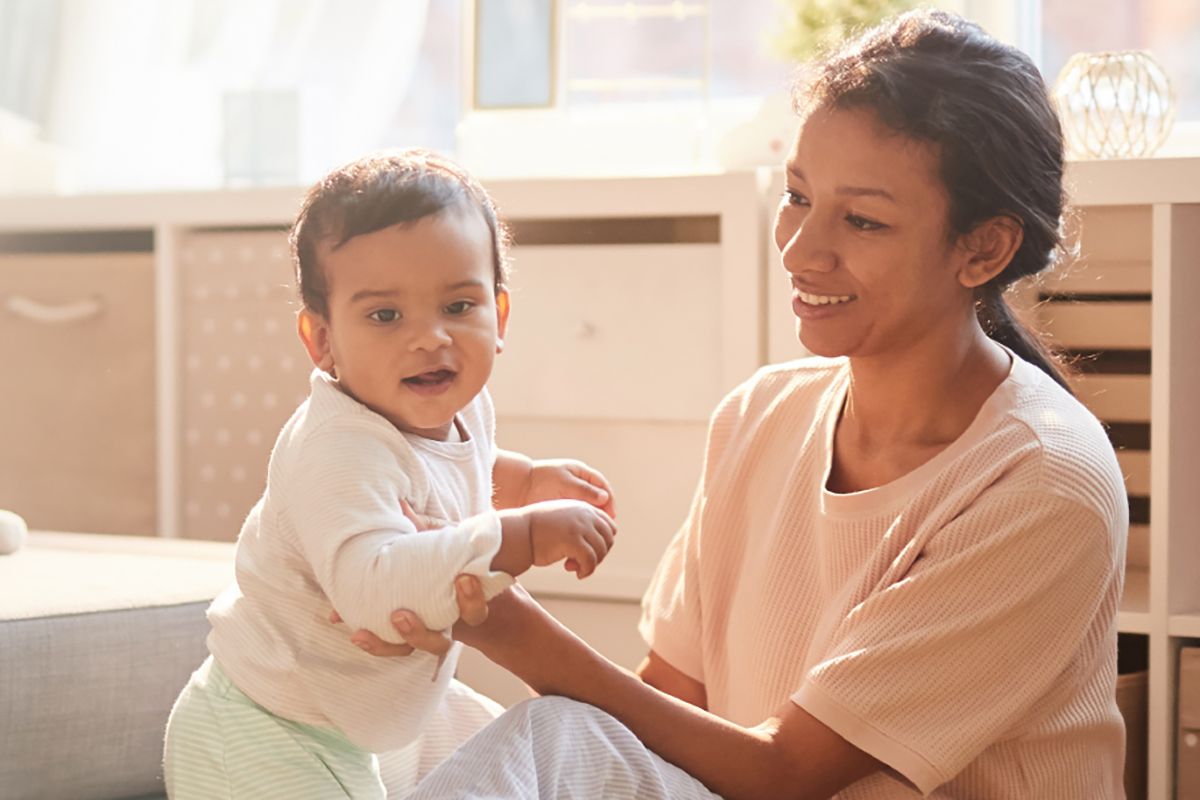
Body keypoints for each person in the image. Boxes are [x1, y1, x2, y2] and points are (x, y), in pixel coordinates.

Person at [348, 10, 1129, 799]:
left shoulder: (1043, 485)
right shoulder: (762, 417)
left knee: (550, 739)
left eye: (861, 220)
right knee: (415, 727)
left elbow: (788, 773)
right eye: (797, 197)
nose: (800, 249)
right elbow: (664, 706)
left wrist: (497, 620)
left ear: (983, 248)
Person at [162, 149, 618, 799]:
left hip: (369, 719)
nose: (429, 338)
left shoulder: (458, 408)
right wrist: (523, 535)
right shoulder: (337, 447)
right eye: (384, 316)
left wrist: (526, 480)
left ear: (501, 315)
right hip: (269, 729)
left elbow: (455, 470)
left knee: (524, 758)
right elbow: (373, 590)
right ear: (322, 342)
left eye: (459, 306)